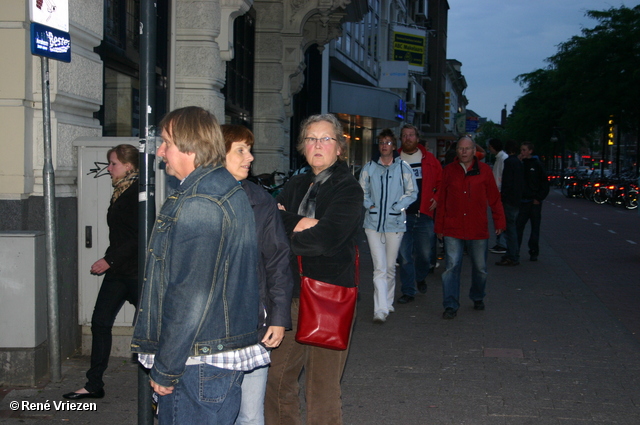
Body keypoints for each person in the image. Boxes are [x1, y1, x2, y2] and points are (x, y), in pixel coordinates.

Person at [131, 106, 269, 425]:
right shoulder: (220, 189)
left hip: (199, 362)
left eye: (166, 142)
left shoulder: (202, 201)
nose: (160, 151)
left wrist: (165, 367)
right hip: (211, 354)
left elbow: (189, 296)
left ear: (189, 146)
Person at [264, 114, 363, 425]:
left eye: (325, 139)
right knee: (276, 380)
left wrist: (288, 222)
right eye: (310, 139)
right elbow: (269, 226)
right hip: (288, 294)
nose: (317, 144)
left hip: (329, 296)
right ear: (302, 147)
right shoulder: (295, 183)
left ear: (339, 148)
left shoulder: (348, 189)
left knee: (321, 388)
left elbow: (324, 240)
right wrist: (301, 223)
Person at [221, 124, 294, 425]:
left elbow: (277, 261)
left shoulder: (260, 200)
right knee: (213, 413)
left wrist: (278, 317)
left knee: (250, 415)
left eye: (249, 149)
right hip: (210, 330)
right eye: (240, 149)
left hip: (253, 324)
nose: (250, 157)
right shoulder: (194, 199)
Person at [63, 144, 139, 400]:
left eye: (113, 163)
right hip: (118, 271)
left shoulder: (137, 193)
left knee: (150, 329)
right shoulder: (121, 191)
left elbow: (139, 236)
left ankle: (158, 384)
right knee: (100, 322)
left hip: (137, 272)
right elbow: (121, 234)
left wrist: (109, 259)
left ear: (129, 165)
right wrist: (111, 260)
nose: (109, 168)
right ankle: (94, 384)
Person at [435, 136, 506, 320]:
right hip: (453, 227)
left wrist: (499, 221)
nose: (464, 152)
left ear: (475, 151)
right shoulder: (449, 171)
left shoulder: (485, 171)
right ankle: (450, 304)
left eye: (467, 148)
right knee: (451, 267)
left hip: (477, 228)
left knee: (480, 268)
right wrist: (439, 227)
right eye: (461, 148)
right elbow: (441, 200)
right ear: (456, 151)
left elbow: (494, 198)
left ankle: (477, 296)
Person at [359, 129, 417, 323]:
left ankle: (388, 301)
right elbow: (361, 191)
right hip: (373, 224)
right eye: (382, 142)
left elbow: (412, 192)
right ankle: (380, 309)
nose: (385, 145)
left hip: (395, 223)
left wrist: (397, 207)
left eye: (388, 142)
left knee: (390, 267)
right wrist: (369, 205)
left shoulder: (403, 168)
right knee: (380, 268)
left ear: (394, 145)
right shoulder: (369, 167)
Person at [396, 124, 442, 303]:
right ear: (401, 138)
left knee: (424, 254)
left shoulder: (429, 159)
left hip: (424, 215)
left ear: (417, 138)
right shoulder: (393, 160)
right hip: (401, 216)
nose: (408, 138)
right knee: (405, 256)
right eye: (404, 135)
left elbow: (441, 181)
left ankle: (420, 276)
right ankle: (408, 291)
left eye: (411, 135)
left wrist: (437, 197)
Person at [516, 142, 550, 262]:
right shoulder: (520, 164)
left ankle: (534, 251)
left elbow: (545, 183)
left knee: (535, 228)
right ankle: (516, 251)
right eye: (521, 150)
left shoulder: (537, 165)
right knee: (518, 227)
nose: (522, 152)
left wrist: (539, 198)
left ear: (530, 151)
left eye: (524, 150)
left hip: (534, 201)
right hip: (523, 201)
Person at [496, 141, 525, 266]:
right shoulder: (519, 163)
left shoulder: (508, 162)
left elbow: (507, 182)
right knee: (513, 227)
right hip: (517, 199)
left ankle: (512, 255)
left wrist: (503, 196)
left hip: (509, 199)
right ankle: (513, 253)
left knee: (509, 228)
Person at [487, 138, 509, 254]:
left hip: (498, 192)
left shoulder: (502, 159)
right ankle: (501, 242)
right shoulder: (501, 158)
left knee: (500, 217)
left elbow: (500, 176)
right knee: (499, 217)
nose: (489, 149)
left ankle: (502, 243)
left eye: (490, 146)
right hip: (498, 191)